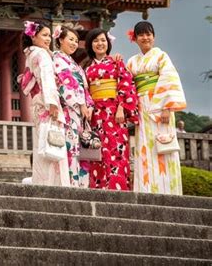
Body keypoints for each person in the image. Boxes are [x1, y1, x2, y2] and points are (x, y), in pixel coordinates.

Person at [126, 21, 186, 195]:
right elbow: (127, 84)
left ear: (153, 36)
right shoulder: (132, 61)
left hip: (160, 107)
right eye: (141, 35)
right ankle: (146, 188)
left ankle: (169, 190)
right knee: (144, 146)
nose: (145, 38)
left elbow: (169, 79)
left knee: (164, 144)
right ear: (135, 39)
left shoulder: (161, 56)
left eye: (148, 34)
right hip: (141, 107)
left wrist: (167, 107)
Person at [84, 27, 138, 190]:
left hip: (114, 114)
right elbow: (86, 92)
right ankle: (99, 189)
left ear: (108, 43)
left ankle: (118, 188)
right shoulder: (87, 69)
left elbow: (126, 84)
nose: (100, 44)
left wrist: (121, 107)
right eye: (95, 41)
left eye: (103, 40)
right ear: (90, 45)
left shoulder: (116, 62)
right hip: (96, 115)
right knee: (97, 153)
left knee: (116, 152)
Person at [22, 20, 70, 186]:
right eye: (44, 35)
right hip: (47, 103)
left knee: (42, 144)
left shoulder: (31, 54)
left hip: (38, 104)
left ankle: (42, 181)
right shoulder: (41, 55)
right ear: (33, 36)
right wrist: (53, 104)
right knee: (53, 144)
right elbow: (46, 78)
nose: (48, 39)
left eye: (49, 35)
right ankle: (54, 184)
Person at [52, 23, 94, 187]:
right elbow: (67, 84)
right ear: (60, 40)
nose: (74, 43)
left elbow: (84, 86)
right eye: (70, 39)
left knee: (80, 149)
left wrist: (89, 105)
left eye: (76, 41)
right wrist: (81, 103)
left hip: (80, 113)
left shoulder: (73, 63)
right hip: (68, 111)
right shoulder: (57, 59)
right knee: (70, 148)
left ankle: (82, 184)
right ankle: (71, 183)